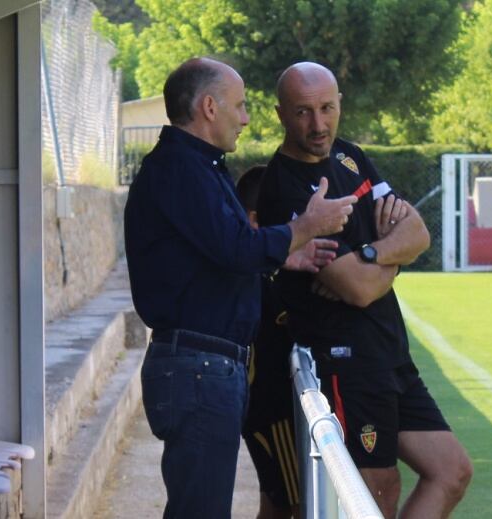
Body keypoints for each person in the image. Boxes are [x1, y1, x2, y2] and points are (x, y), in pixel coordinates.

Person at [123, 57, 357, 519]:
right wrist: (307, 226)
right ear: (210, 107)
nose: (247, 118)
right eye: (241, 105)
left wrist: (284, 255)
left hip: (204, 366)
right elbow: (233, 247)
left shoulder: (196, 167)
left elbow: (221, 253)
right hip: (198, 368)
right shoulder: (181, 169)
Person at [256, 62, 473, 519]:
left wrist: (373, 257)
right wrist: (389, 257)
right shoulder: (284, 187)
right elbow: (355, 289)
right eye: (303, 112)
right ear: (280, 114)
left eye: (327, 108)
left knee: (451, 471)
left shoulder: (350, 157)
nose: (318, 124)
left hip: (391, 352)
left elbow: (418, 233)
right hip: (346, 362)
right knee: (377, 492)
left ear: (340, 104)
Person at [236, 166, 300, 519]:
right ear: (256, 220)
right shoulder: (257, 276)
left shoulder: (260, 270)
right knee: (299, 505)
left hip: (265, 410)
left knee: (276, 507)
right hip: (272, 412)